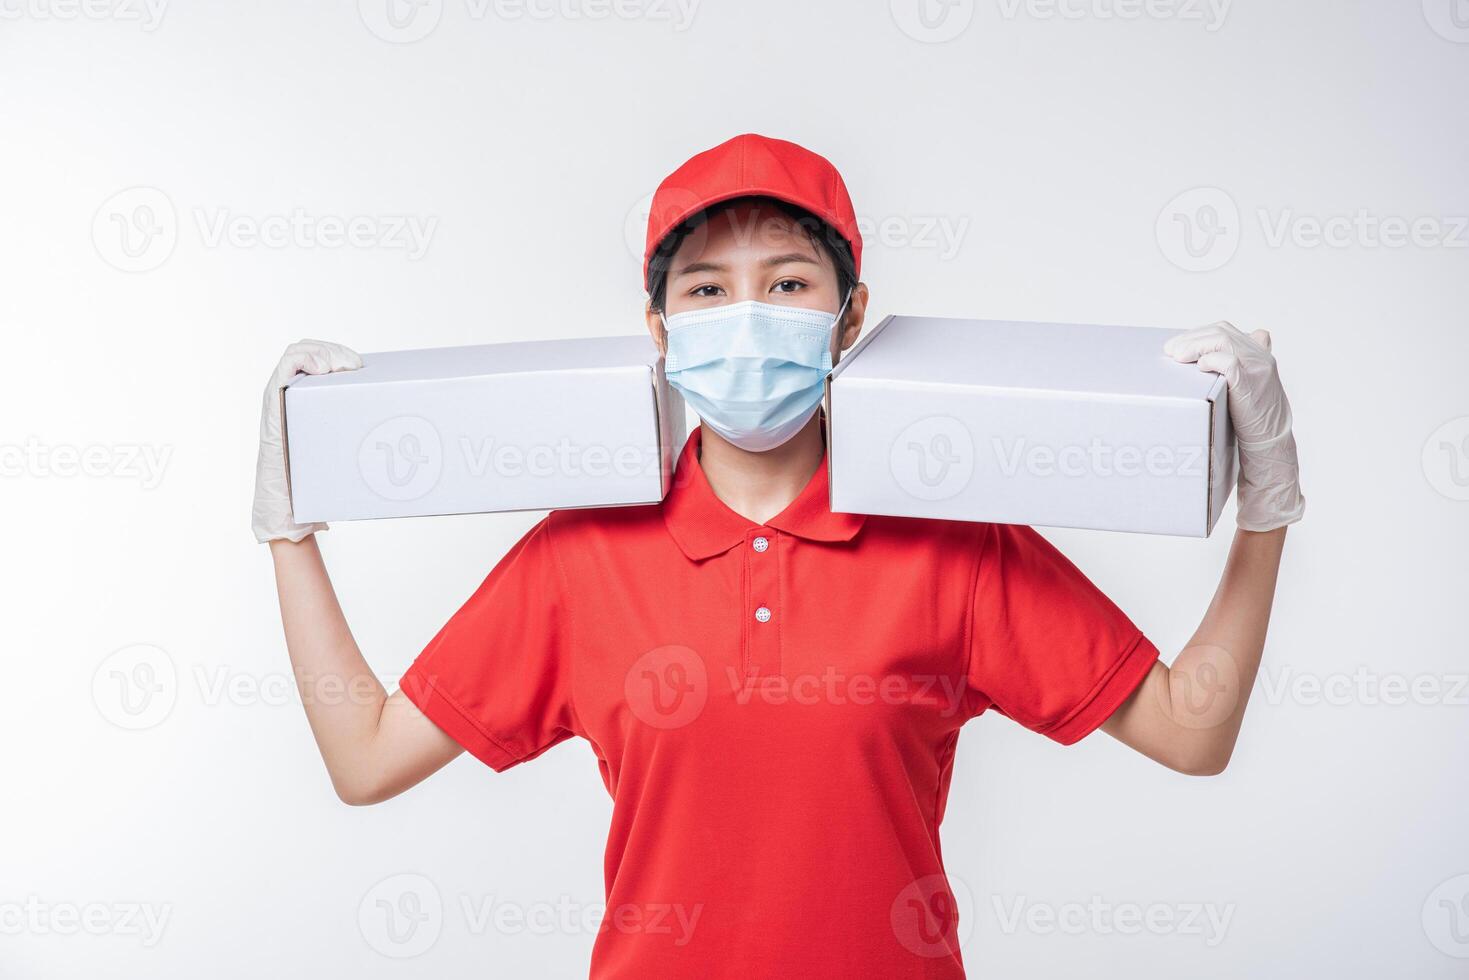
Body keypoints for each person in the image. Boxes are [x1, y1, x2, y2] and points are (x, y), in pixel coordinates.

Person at [251, 134, 1304, 979]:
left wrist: (1261, 506)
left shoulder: (952, 541)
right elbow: (367, 755)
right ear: (659, 330)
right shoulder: (580, 555)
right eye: (706, 289)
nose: (746, 315)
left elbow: (1187, 729)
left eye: (788, 282)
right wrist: (289, 527)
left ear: (847, 314)